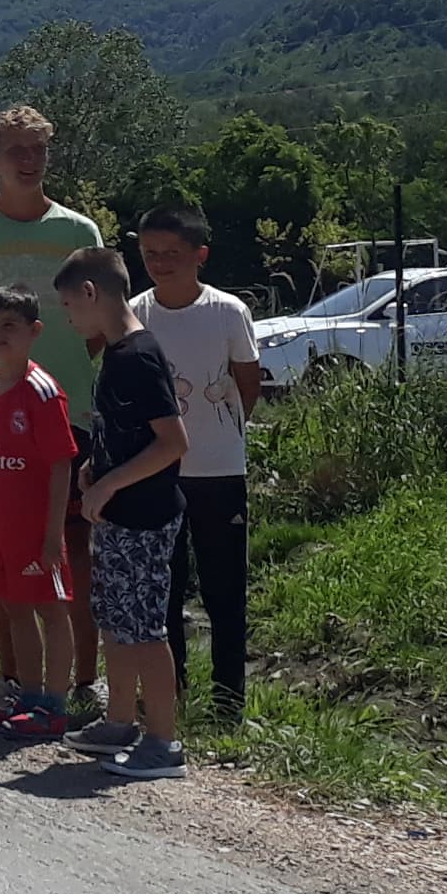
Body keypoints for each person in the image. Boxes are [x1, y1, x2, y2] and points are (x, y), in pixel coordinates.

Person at [0, 106, 111, 713]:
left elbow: (99, 323)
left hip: (72, 411)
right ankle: (12, 676)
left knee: (74, 549)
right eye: (15, 149)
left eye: (37, 148)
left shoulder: (79, 230)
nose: (28, 160)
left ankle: (85, 683)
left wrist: (56, 365)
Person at [57, 246, 191, 779]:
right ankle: (118, 720)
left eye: (70, 307)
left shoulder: (137, 356)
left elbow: (172, 442)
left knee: (144, 628)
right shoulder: (114, 353)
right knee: (114, 618)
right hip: (115, 513)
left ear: (91, 293)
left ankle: (163, 740)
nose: (68, 318)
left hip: (145, 516)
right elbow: (122, 429)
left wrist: (110, 481)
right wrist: (95, 465)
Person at [132, 204, 262, 722]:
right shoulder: (138, 312)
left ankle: (230, 706)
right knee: (164, 590)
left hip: (219, 472)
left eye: (172, 254)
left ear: (199, 256)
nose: (160, 263)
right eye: (150, 254)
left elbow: (247, 385)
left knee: (224, 590)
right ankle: (171, 698)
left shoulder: (229, 311)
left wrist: (222, 436)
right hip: (158, 473)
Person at [0, 286, 81, 736]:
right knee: (13, 608)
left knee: (50, 609)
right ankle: (28, 695)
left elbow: (60, 462)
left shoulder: (43, 391)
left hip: (35, 527)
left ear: (34, 331)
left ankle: (55, 701)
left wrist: (53, 535)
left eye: (9, 326)